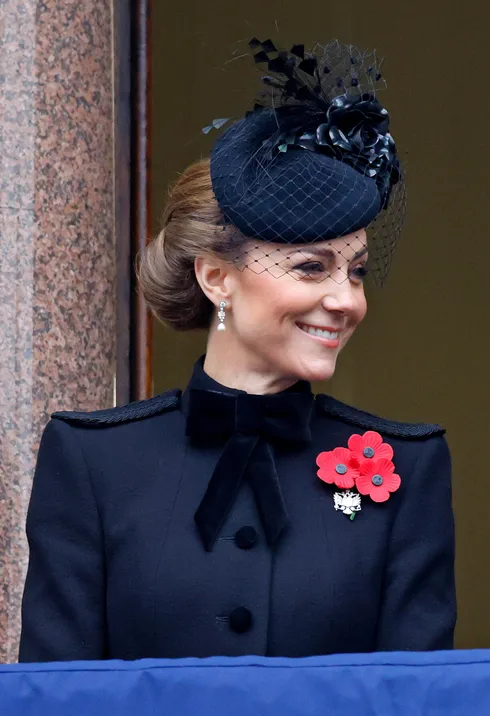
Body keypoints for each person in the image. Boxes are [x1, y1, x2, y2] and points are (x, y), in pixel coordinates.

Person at [19, 39, 455, 661]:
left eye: (355, 272)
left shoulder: (409, 466)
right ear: (215, 277)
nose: (346, 300)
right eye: (311, 267)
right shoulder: (94, 462)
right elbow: (57, 696)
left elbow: (419, 700)